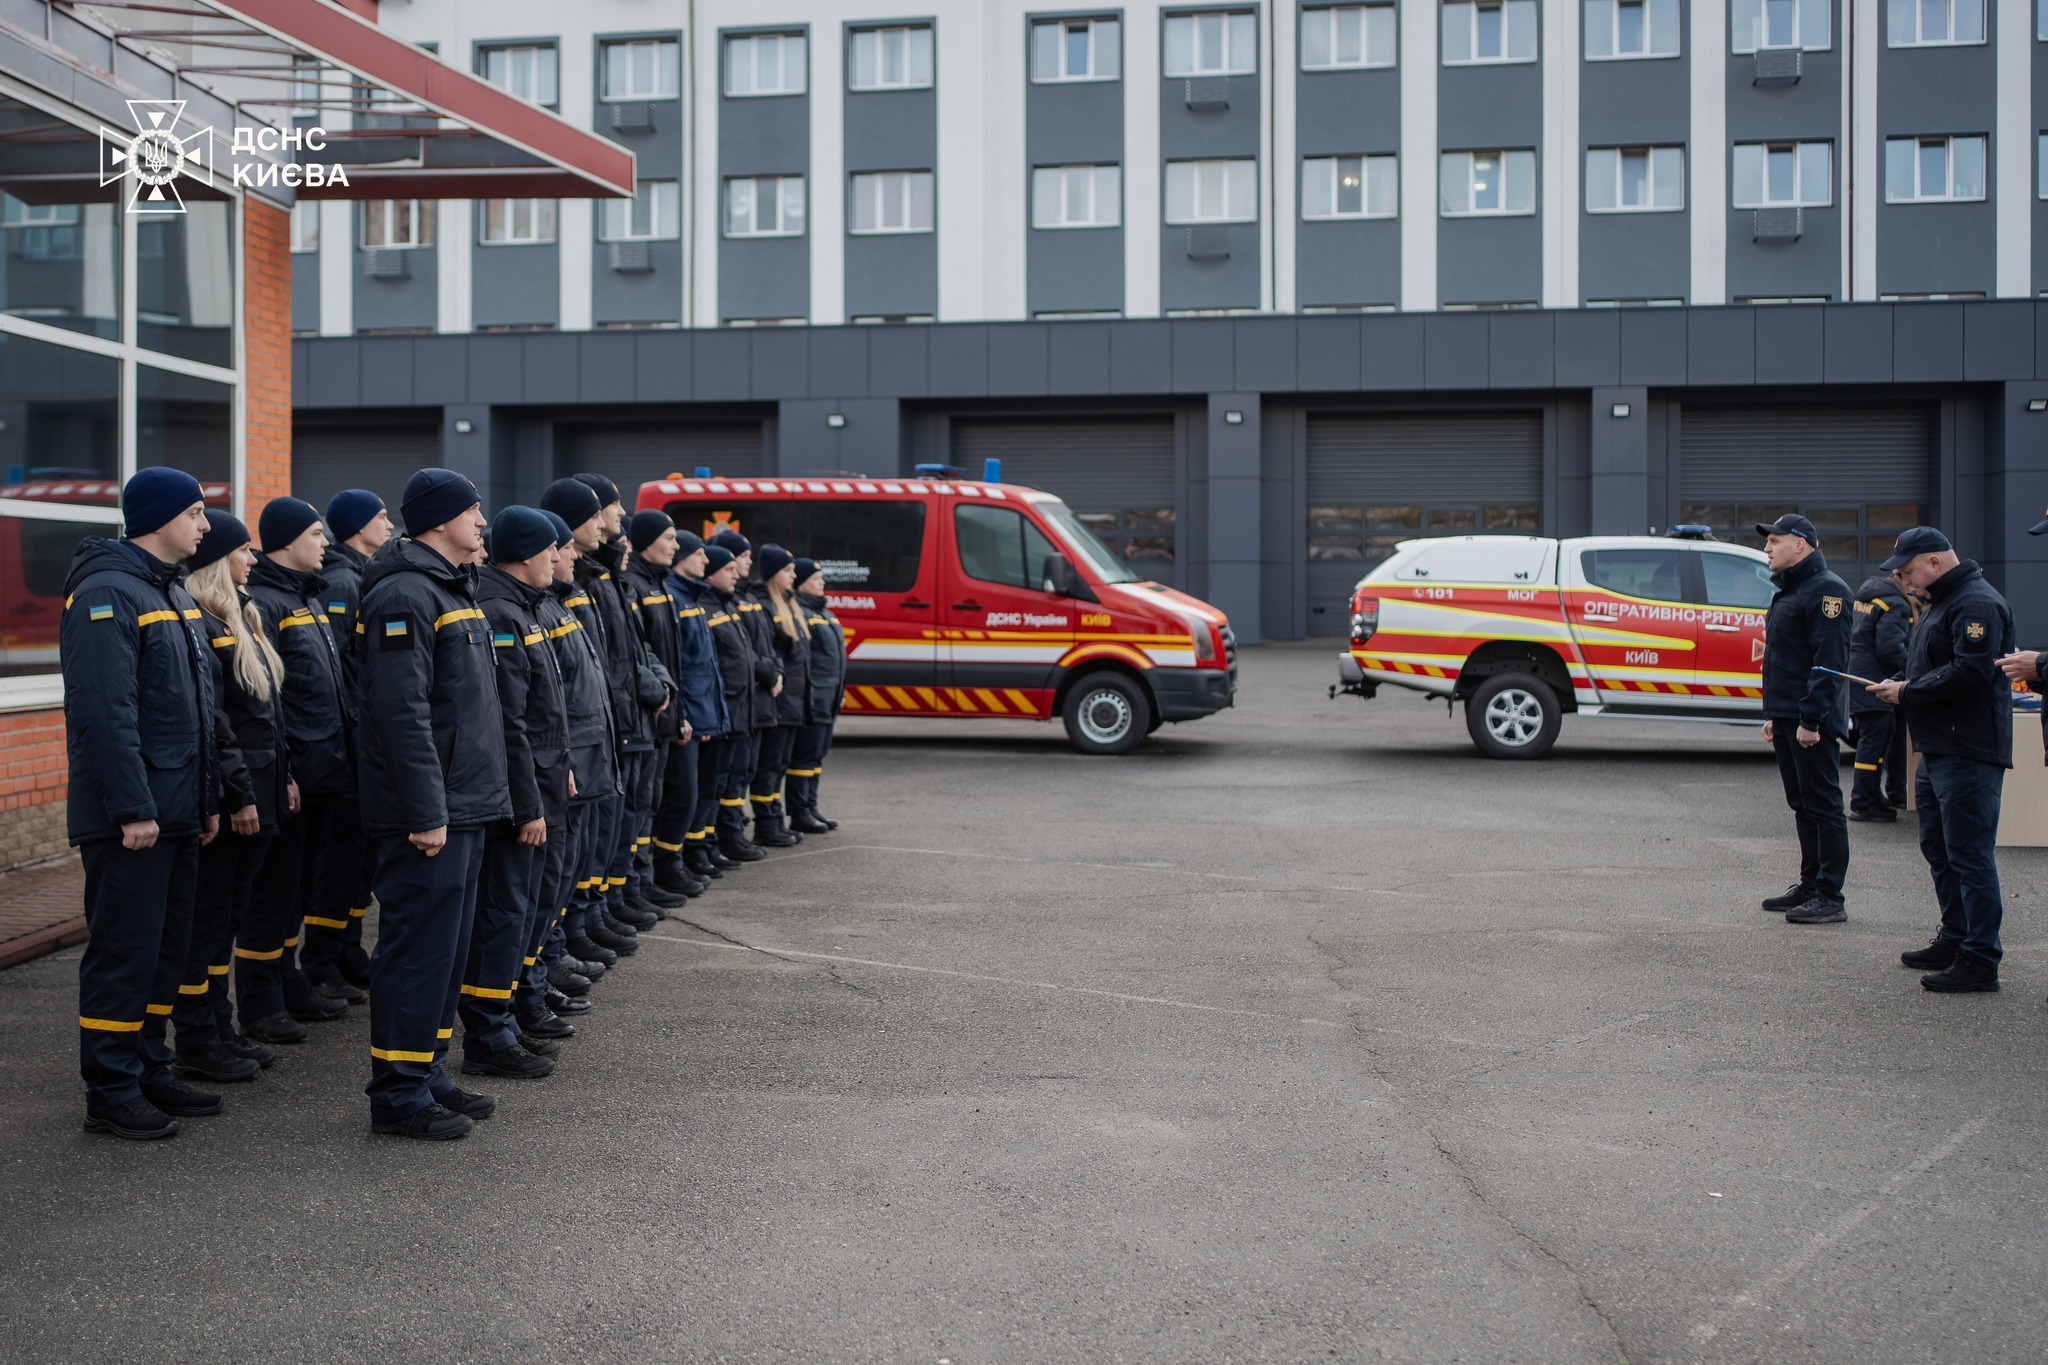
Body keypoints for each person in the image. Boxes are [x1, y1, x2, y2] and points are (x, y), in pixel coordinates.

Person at [61, 467, 221, 1139]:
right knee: (124, 953)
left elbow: (196, 711)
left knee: (163, 952)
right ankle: (111, 1089)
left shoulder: (171, 591)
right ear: (158, 518)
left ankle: (150, 1068)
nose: (205, 526)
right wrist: (131, 807)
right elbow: (104, 711)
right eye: (195, 513)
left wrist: (208, 798)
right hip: (134, 817)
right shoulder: (107, 591)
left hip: (177, 809)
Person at [356, 468, 511, 1140]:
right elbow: (401, 713)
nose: (482, 520)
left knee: (446, 953)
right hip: (430, 812)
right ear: (440, 520)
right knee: (417, 952)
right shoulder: (404, 593)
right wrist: (426, 811)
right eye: (472, 510)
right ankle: (397, 1092)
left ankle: (426, 1070)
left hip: (464, 803)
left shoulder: (451, 587)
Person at [1866, 527, 2015, 993]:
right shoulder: (1941, 602)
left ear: (1934, 562)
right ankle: (1955, 938)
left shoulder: (1976, 604)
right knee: (1941, 850)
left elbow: (1971, 671)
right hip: (1939, 749)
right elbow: (1931, 665)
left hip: (1968, 750)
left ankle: (1980, 959)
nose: (1905, 581)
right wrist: (1900, 681)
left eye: (1908, 571)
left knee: (1969, 856)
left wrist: (1908, 691)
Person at [172, 512, 289, 1083]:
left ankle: (220, 1027)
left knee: (230, 917)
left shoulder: (241, 616)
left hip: (260, 789)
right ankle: (197, 1038)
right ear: (218, 561)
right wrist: (241, 795)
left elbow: (266, 719)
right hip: (235, 797)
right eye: (243, 549)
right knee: (209, 920)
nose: (253, 558)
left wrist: (282, 778)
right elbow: (218, 725)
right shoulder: (203, 623)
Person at [242, 498, 358, 1032]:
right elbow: (268, 701)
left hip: (323, 772)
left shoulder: (305, 598)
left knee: (300, 887)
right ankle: (260, 1000)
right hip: (294, 775)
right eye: (315, 533)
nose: (325, 543)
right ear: (287, 541)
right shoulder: (267, 603)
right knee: (274, 890)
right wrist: (284, 771)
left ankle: (288, 980)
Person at [463, 506, 568, 1082]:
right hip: (518, 797)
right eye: (551, 547)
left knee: (519, 910)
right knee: (502, 915)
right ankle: (488, 1035)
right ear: (527, 554)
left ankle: (502, 1021)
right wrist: (528, 805)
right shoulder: (502, 611)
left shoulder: (523, 606)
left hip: (540, 784)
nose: (557, 557)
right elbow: (510, 721)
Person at [520, 507, 615, 1046]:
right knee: (542, 885)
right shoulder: (532, 610)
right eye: (561, 548)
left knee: (559, 878)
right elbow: (536, 710)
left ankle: (539, 976)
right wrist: (563, 763)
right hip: (559, 770)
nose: (570, 556)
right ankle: (527, 990)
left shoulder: (554, 604)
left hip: (575, 763)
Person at [574, 476, 676, 940]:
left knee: (626, 817)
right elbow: (608, 662)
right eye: (612, 506)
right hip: (617, 724)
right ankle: (590, 916)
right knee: (600, 830)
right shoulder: (591, 579)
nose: (618, 516)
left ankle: (613, 900)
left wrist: (659, 684)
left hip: (632, 718)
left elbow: (637, 649)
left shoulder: (608, 575)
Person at [303, 488, 392, 994]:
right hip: (348, 743)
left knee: (356, 858)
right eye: (381, 517)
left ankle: (347, 950)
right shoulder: (342, 581)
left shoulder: (360, 575)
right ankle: (323, 959)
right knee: (338, 859)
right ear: (358, 527)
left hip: (360, 740)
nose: (389, 525)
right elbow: (341, 669)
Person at [1754, 513, 1853, 925]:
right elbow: (1781, 659)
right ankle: (1810, 884)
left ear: (1800, 545)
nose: (1766, 549)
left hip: (1811, 720)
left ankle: (1830, 894)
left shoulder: (1828, 592)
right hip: (1787, 716)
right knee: (1802, 803)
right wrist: (1774, 714)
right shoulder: (1790, 591)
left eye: (1774, 541)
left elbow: (1829, 664)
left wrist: (1810, 720)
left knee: (1823, 805)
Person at [622, 509, 703, 912]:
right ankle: (634, 884)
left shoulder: (658, 584)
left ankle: (643, 879)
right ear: (646, 541)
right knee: (640, 805)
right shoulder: (635, 585)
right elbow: (635, 656)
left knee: (651, 802)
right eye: (669, 538)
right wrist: (660, 700)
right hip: (646, 715)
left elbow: (671, 661)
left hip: (665, 714)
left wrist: (679, 713)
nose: (675, 546)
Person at [664, 531, 733, 879]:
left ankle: (688, 856)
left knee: (699, 791)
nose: (705, 560)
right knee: (681, 794)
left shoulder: (691, 598)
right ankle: (670, 865)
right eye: (699, 554)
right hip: (687, 717)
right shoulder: (675, 598)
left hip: (701, 715)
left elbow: (705, 666)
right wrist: (687, 714)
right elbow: (679, 667)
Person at [701, 544, 775, 862]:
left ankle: (723, 838)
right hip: (727, 708)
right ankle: (718, 839)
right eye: (730, 567)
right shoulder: (710, 607)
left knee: (735, 774)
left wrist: (773, 671)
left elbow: (752, 651)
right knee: (719, 780)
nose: (737, 572)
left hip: (743, 705)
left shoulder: (729, 603)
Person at [753, 544, 810, 848]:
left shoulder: (789, 605)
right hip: (779, 702)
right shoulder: (767, 607)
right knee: (769, 766)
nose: (793, 576)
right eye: (787, 570)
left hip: (793, 702)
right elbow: (773, 657)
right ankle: (766, 824)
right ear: (774, 573)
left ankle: (775, 820)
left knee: (780, 764)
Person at [1846, 568, 1912, 823]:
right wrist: (1914, 668)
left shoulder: (1869, 595)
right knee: (1875, 739)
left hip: (1858, 674)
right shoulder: (1896, 604)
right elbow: (1890, 648)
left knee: (1877, 736)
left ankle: (1875, 796)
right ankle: (1863, 801)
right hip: (1876, 679)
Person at [786, 558, 845, 834]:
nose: (822, 583)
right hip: (813, 698)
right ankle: (799, 812)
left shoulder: (825, 613)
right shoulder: (801, 614)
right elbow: (803, 662)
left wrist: (840, 691)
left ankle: (810, 807)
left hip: (829, 697)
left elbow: (835, 660)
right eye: (815, 579)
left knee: (817, 755)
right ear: (800, 584)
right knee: (805, 756)